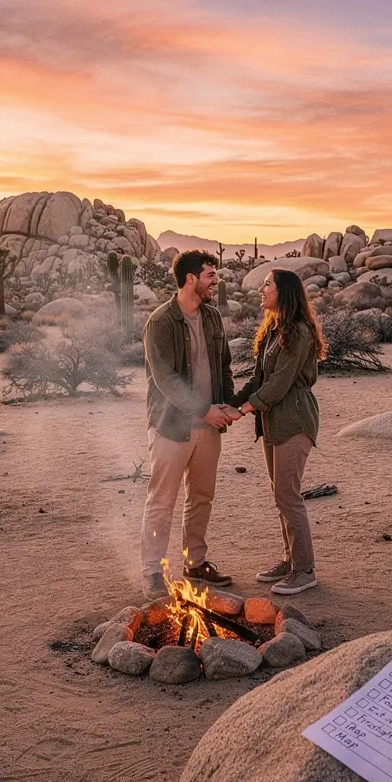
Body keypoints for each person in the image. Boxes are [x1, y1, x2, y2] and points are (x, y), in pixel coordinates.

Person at [139, 249, 238, 600]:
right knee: (162, 499)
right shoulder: (161, 322)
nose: (216, 281)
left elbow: (223, 365)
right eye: (211, 275)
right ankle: (153, 572)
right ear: (191, 279)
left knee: (201, 496)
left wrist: (227, 404)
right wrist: (203, 410)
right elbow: (165, 379)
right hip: (171, 425)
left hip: (208, 426)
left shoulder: (212, 317)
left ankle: (195, 562)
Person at [232, 269, 326, 596]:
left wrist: (243, 409)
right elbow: (259, 380)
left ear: (283, 292)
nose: (261, 288)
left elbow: (280, 383)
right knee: (281, 495)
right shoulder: (273, 329)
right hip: (273, 420)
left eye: (267, 284)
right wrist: (232, 402)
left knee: (288, 496)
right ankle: (290, 561)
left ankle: (305, 570)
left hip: (294, 419)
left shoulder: (298, 331)